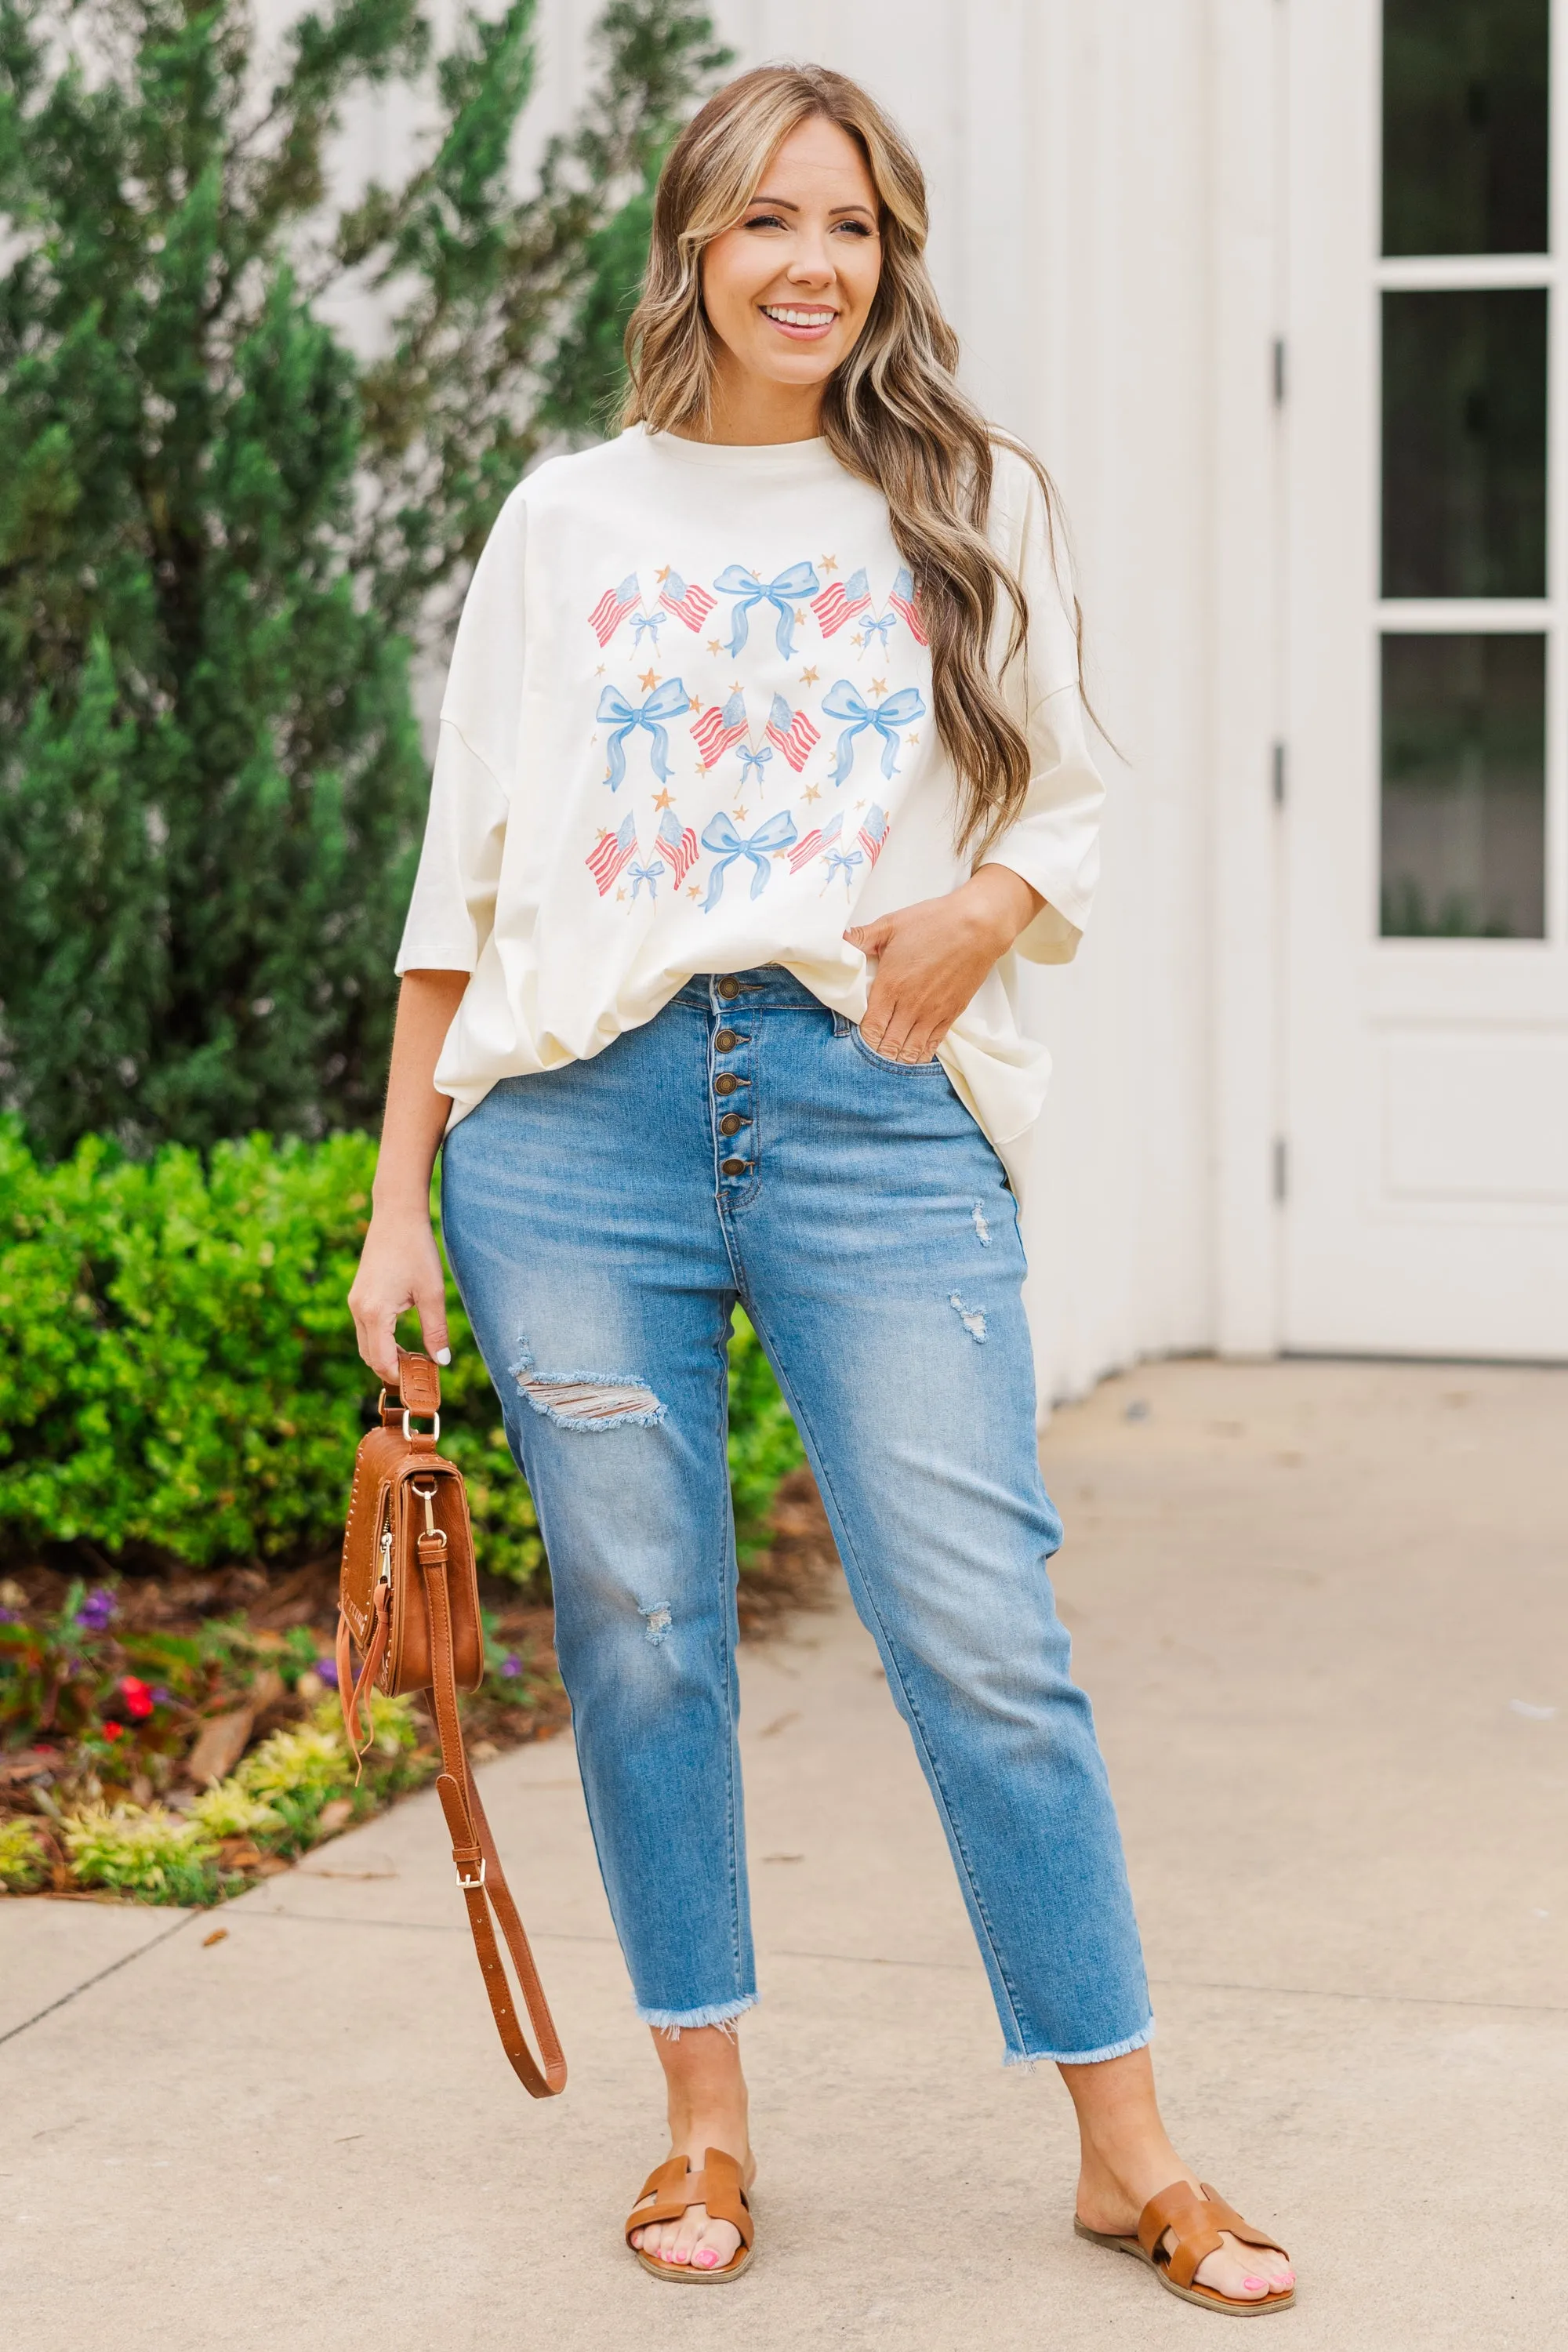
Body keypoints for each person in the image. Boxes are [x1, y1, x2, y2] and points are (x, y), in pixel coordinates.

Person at [348, 62, 1296, 2317]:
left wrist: (985, 910)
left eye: (854, 228)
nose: (813, 264)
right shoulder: (566, 523)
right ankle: (703, 2126)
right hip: (574, 1136)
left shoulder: (967, 498)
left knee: (983, 1635)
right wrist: (401, 1207)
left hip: (877, 1109)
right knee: (646, 1635)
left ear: (893, 259)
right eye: (770, 221)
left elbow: (1065, 804)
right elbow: (453, 886)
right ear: (691, 242)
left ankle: (1125, 2146)